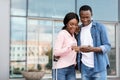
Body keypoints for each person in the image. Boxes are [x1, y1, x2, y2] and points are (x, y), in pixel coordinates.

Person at [74, 5, 111, 80]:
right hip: (84, 67)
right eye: (82, 17)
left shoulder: (100, 27)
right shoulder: (79, 29)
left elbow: (107, 46)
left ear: (92, 15)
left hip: (99, 67)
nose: (85, 20)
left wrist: (92, 49)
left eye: (87, 17)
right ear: (79, 16)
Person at [52, 12, 79, 80]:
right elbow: (56, 52)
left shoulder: (73, 35)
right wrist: (70, 48)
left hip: (71, 68)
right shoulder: (62, 34)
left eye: (76, 24)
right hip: (60, 69)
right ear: (66, 23)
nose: (74, 26)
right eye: (71, 24)